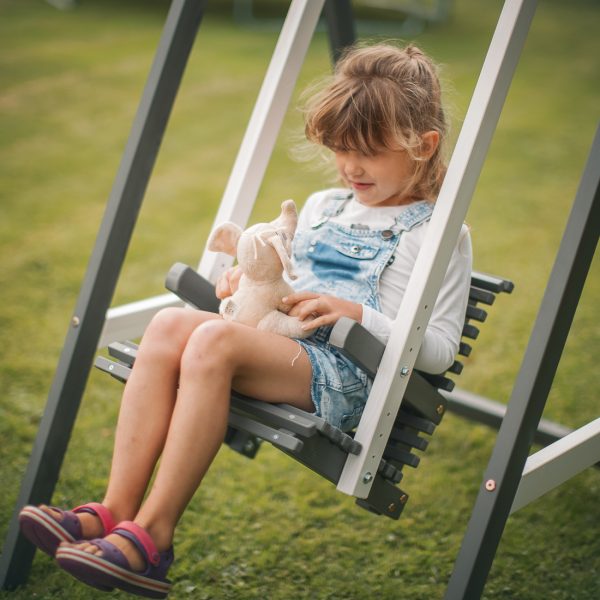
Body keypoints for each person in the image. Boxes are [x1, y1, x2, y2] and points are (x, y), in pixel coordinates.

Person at [18, 43, 472, 598]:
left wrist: (359, 315)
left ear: (422, 147)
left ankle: (154, 537)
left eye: (369, 153)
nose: (350, 166)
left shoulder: (438, 232)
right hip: (285, 348)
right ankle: (114, 510)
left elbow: (441, 349)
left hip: (349, 375)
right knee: (166, 325)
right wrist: (248, 284)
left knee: (211, 341)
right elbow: (284, 281)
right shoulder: (326, 205)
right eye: (339, 149)